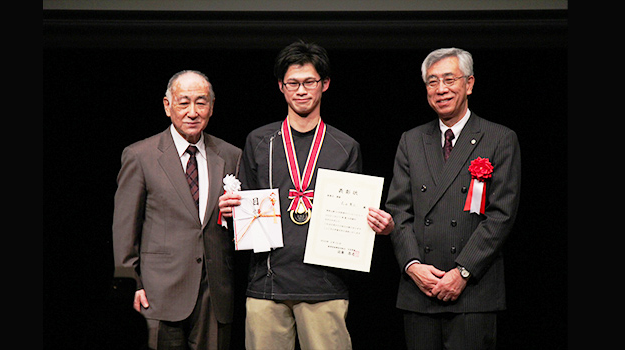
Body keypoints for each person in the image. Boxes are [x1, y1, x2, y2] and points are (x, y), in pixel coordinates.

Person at [218, 40, 393, 350]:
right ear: (281, 87)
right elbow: (244, 215)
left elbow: (353, 218)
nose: (301, 90)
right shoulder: (259, 141)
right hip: (266, 284)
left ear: (324, 84)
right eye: (293, 83)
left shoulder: (345, 146)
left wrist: (378, 225)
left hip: (325, 287)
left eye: (309, 82)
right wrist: (231, 209)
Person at [386, 48, 521, 350]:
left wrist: (462, 272)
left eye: (449, 79)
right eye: (432, 82)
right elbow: (398, 210)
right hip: (421, 288)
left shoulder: (499, 138)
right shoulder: (411, 140)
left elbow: (501, 214)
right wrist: (412, 266)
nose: (441, 89)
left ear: (469, 84)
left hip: (473, 290)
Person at [113, 70, 242, 350]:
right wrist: (130, 283)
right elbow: (125, 226)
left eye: (201, 102)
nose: (193, 112)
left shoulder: (231, 155)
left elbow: (242, 225)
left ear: (212, 106)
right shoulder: (140, 156)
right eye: (184, 102)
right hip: (159, 294)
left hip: (214, 294)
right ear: (167, 106)